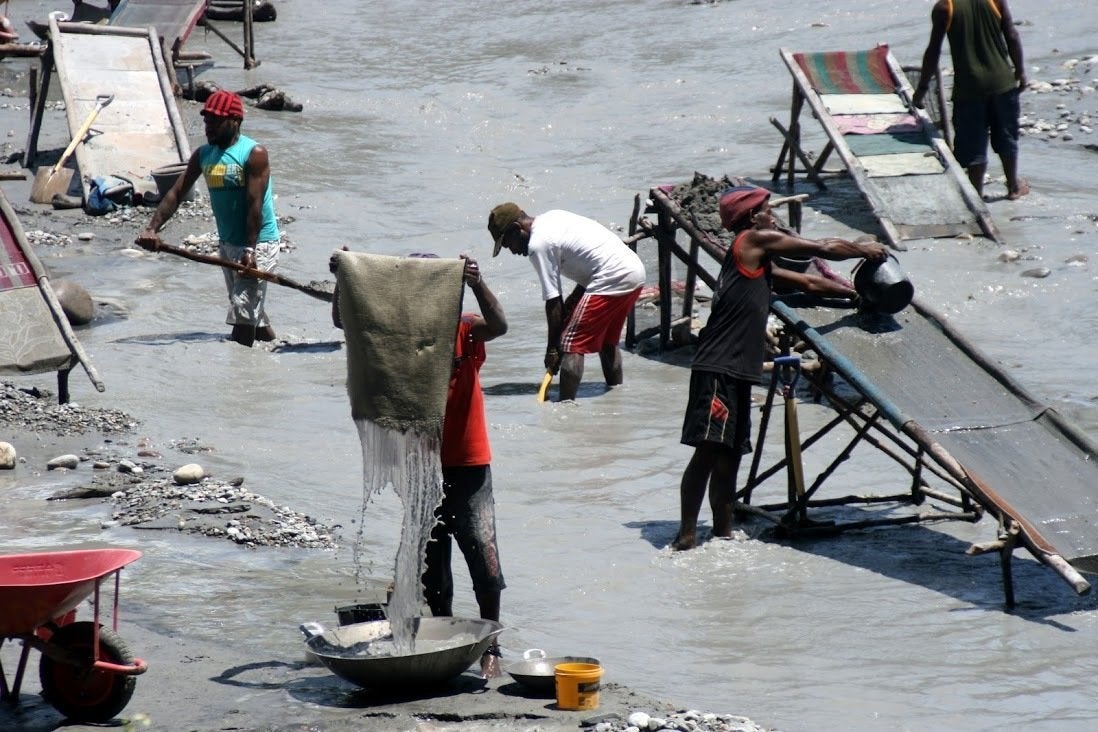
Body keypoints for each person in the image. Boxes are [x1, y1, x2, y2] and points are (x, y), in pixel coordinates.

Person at [672, 186, 888, 551]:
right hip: (718, 366)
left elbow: (806, 281)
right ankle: (686, 535)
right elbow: (821, 248)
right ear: (752, 217)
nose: (772, 216)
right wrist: (864, 249)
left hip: (739, 369)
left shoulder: (756, 262)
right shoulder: (752, 240)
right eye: (767, 210)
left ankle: (722, 535)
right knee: (708, 450)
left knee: (729, 454)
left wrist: (854, 294)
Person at [330, 252, 509, 678]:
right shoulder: (394, 335)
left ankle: (493, 645)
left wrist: (479, 283)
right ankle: (445, 639)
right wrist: (344, 281)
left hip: (467, 460)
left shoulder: (462, 327)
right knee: (432, 559)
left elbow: (499, 326)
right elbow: (345, 322)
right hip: (419, 463)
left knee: (483, 556)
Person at [136, 90, 281, 347]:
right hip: (227, 244)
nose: (208, 127)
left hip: (259, 242)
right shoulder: (203, 155)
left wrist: (250, 249)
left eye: (215, 121)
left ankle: (240, 377)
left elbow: (254, 205)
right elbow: (176, 193)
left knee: (242, 315)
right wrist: (152, 228)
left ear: (234, 121)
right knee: (247, 311)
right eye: (206, 121)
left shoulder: (253, 153)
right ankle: (275, 351)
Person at [489, 203, 646, 401]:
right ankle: (616, 397)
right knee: (607, 341)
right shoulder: (552, 217)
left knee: (571, 343)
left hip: (611, 277)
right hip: (634, 271)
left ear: (515, 228)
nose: (511, 250)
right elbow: (592, 258)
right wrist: (575, 299)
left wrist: (553, 349)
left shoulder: (538, 244)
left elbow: (553, 301)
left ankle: (565, 406)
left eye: (507, 243)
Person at [912, 0, 1028, 200]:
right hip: (1002, 82)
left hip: (969, 88)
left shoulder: (945, 7)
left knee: (973, 145)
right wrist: (1020, 70)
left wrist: (921, 89)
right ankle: (1012, 187)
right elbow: (1012, 36)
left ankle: (975, 194)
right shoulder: (995, 1)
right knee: (1007, 137)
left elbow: (934, 51)